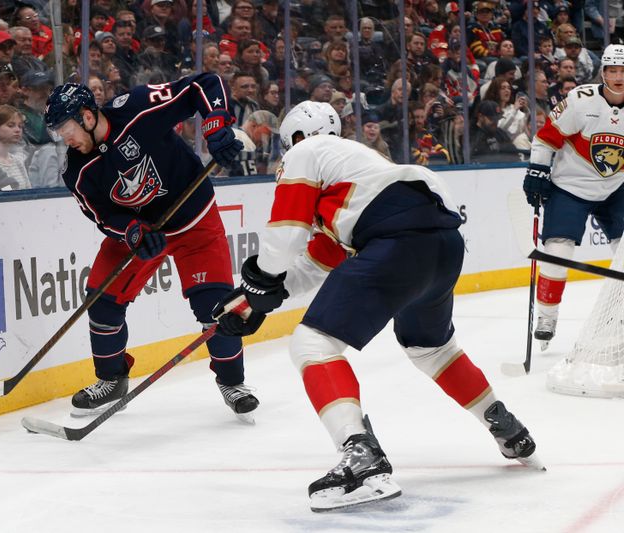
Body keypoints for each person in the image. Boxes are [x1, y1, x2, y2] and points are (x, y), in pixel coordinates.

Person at [213, 100, 542, 512]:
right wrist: (255, 301)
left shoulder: (305, 153)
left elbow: (286, 237)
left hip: (396, 243)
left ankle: (361, 457)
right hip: (442, 247)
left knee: (312, 346)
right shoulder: (360, 171)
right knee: (432, 348)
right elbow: (316, 262)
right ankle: (505, 426)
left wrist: (257, 281)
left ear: (295, 139)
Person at [43, 75, 258, 421]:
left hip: (194, 220)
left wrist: (217, 127)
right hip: (144, 233)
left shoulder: (136, 109)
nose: (64, 138)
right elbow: (100, 215)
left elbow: (202, 85)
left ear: (86, 115)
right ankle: (112, 379)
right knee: (100, 299)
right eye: (57, 132)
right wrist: (130, 231)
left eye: (66, 127)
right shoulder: (76, 170)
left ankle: (233, 383)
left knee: (216, 308)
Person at [523, 44, 624, 349]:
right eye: (613, 71)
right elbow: (545, 139)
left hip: (615, 187)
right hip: (571, 186)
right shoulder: (581, 101)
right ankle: (547, 316)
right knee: (557, 251)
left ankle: (618, 314)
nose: (619, 77)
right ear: (603, 72)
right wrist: (537, 171)